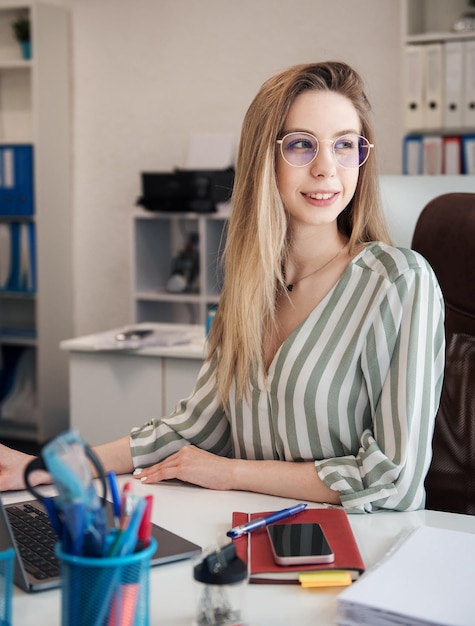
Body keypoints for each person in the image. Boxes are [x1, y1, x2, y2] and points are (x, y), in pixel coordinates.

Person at [0, 61, 445, 513]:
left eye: (345, 145)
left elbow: (396, 481)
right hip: (254, 534)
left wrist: (230, 472)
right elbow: (194, 427)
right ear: (264, 159)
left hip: (358, 550)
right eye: (301, 145)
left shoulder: (398, 282)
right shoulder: (251, 287)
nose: (327, 168)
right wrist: (51, 467)